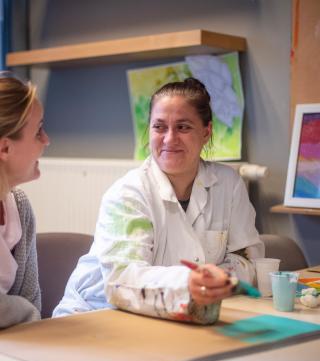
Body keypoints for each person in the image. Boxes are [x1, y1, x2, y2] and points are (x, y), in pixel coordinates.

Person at [53, 78, 264, 324]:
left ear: (206, 132)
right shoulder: (128, 193)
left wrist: (216, 279)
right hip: (95, 317)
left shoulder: (228, 184)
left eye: (183, 127)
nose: (169, 139)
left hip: (176, 317)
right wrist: (188, 282)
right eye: (159, 127)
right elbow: (123, 279)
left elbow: (247, 257)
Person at [0, 73, 50, 328]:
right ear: (4, 149)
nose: (46, 140)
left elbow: (32, 306)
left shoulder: (18, 205)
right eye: (38, 131)